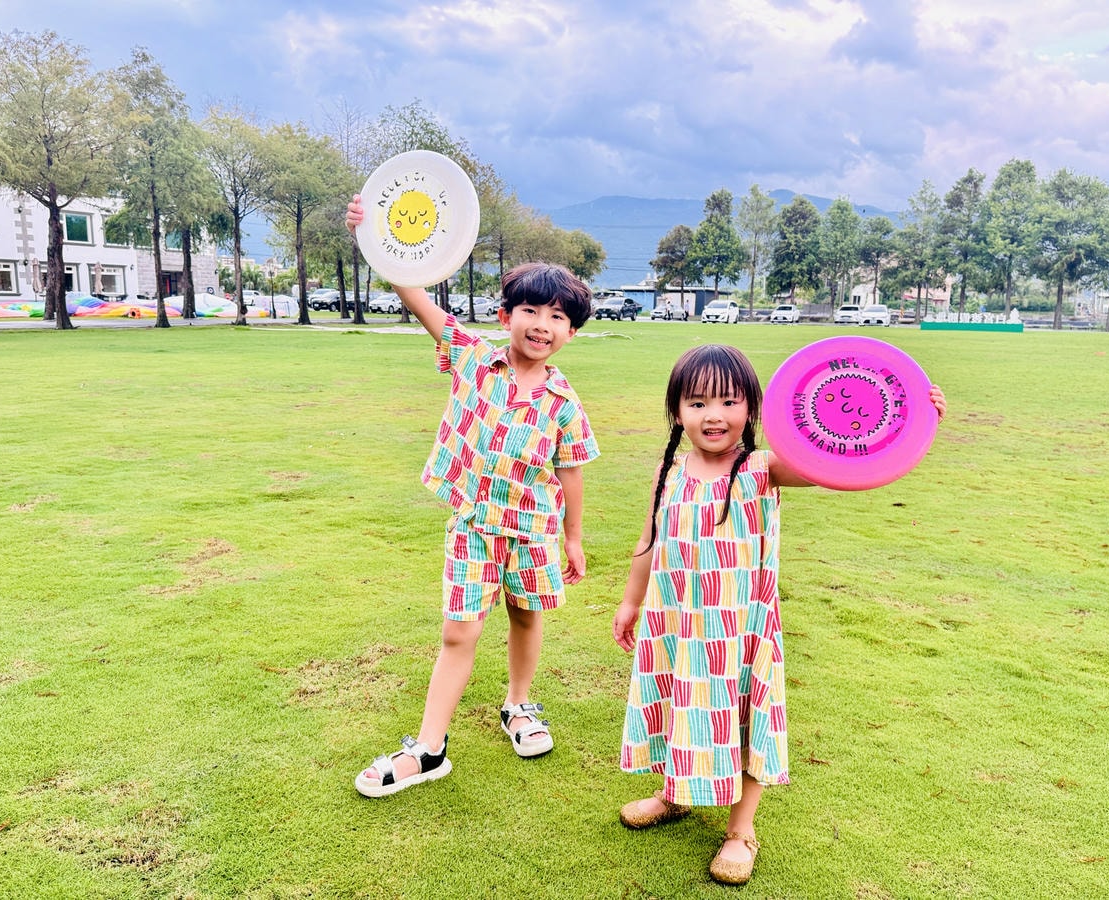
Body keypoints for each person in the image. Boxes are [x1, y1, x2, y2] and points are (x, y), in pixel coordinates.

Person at [611, 344, 946, 885]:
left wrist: (914, 418)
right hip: (675, 622)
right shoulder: (667, 470)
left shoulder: (762, 468)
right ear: (676, 411)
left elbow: (838, 463)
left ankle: (740, 830)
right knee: (679, 705)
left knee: (743, 719)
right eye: (697, 403)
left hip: (740, 630)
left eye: (728, 402)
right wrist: (631, 601)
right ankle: (676, 792)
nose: (713, 415)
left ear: (753, 408)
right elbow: (649, 539)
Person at [345, 195, 599, 797]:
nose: (542, 325)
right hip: (474, 528)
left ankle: (518, 706)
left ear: (571, 331)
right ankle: (429, 748)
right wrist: (372, 236)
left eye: (558, 317)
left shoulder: (564, 403)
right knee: (459, 633)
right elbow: (416, 296)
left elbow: (570, 472)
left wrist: (573, 538)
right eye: (530, 310)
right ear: (506, 314)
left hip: (534, 532)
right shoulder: (475, 358)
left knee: (527, 616)